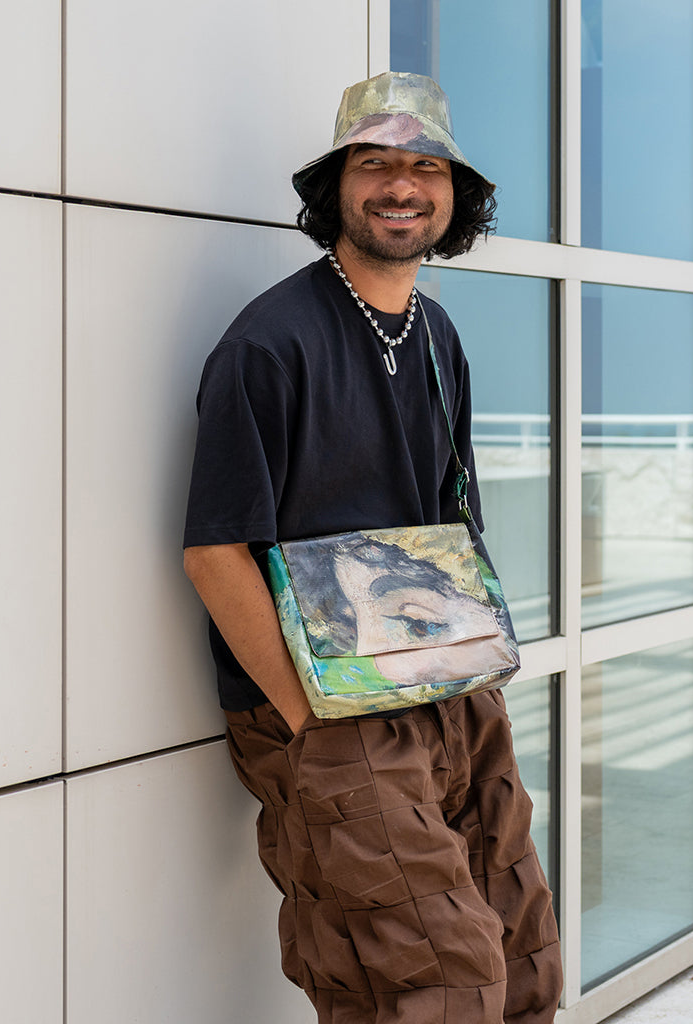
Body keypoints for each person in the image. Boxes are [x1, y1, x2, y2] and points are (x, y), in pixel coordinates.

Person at [183, 71, 562, 1023]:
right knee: (439, 976)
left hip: (446, 684)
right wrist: (311, 724)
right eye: (375, 163)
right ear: (336, 188)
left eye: (424, 167)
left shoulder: (435, 333)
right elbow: (215, 552)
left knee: (521, 952)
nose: (401, 186)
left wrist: (473, 682)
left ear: (455, 196)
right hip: (329, 710)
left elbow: (450, 519)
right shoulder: (269, 344)